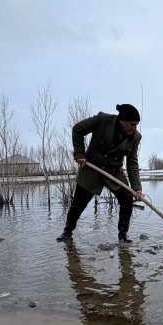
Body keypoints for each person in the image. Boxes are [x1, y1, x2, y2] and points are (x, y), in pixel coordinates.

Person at [57, 104, 143, 243]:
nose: (134, 128)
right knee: (79, 203)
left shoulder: (135, 137)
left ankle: (123, 235)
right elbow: (77, 129)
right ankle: (67, 231)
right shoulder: (102, 120)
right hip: (92, 169)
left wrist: (136, 187)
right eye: (132, 124)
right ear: (122, 120)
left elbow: (132, 163)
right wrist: (79, 153)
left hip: (113, 172)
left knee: (127, 198)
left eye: (136, 125)